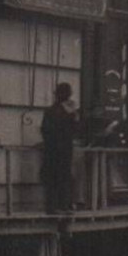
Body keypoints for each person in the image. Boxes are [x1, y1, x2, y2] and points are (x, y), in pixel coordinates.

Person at [41, 82, 79, 214]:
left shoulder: (50, 111)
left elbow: (45, 131)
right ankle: (63, 205)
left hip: (52, 150)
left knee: (54, 179)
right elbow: (75, 130)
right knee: (63, 177)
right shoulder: (68, 111)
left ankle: (54, 206)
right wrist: (73, 115)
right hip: (63, 150)